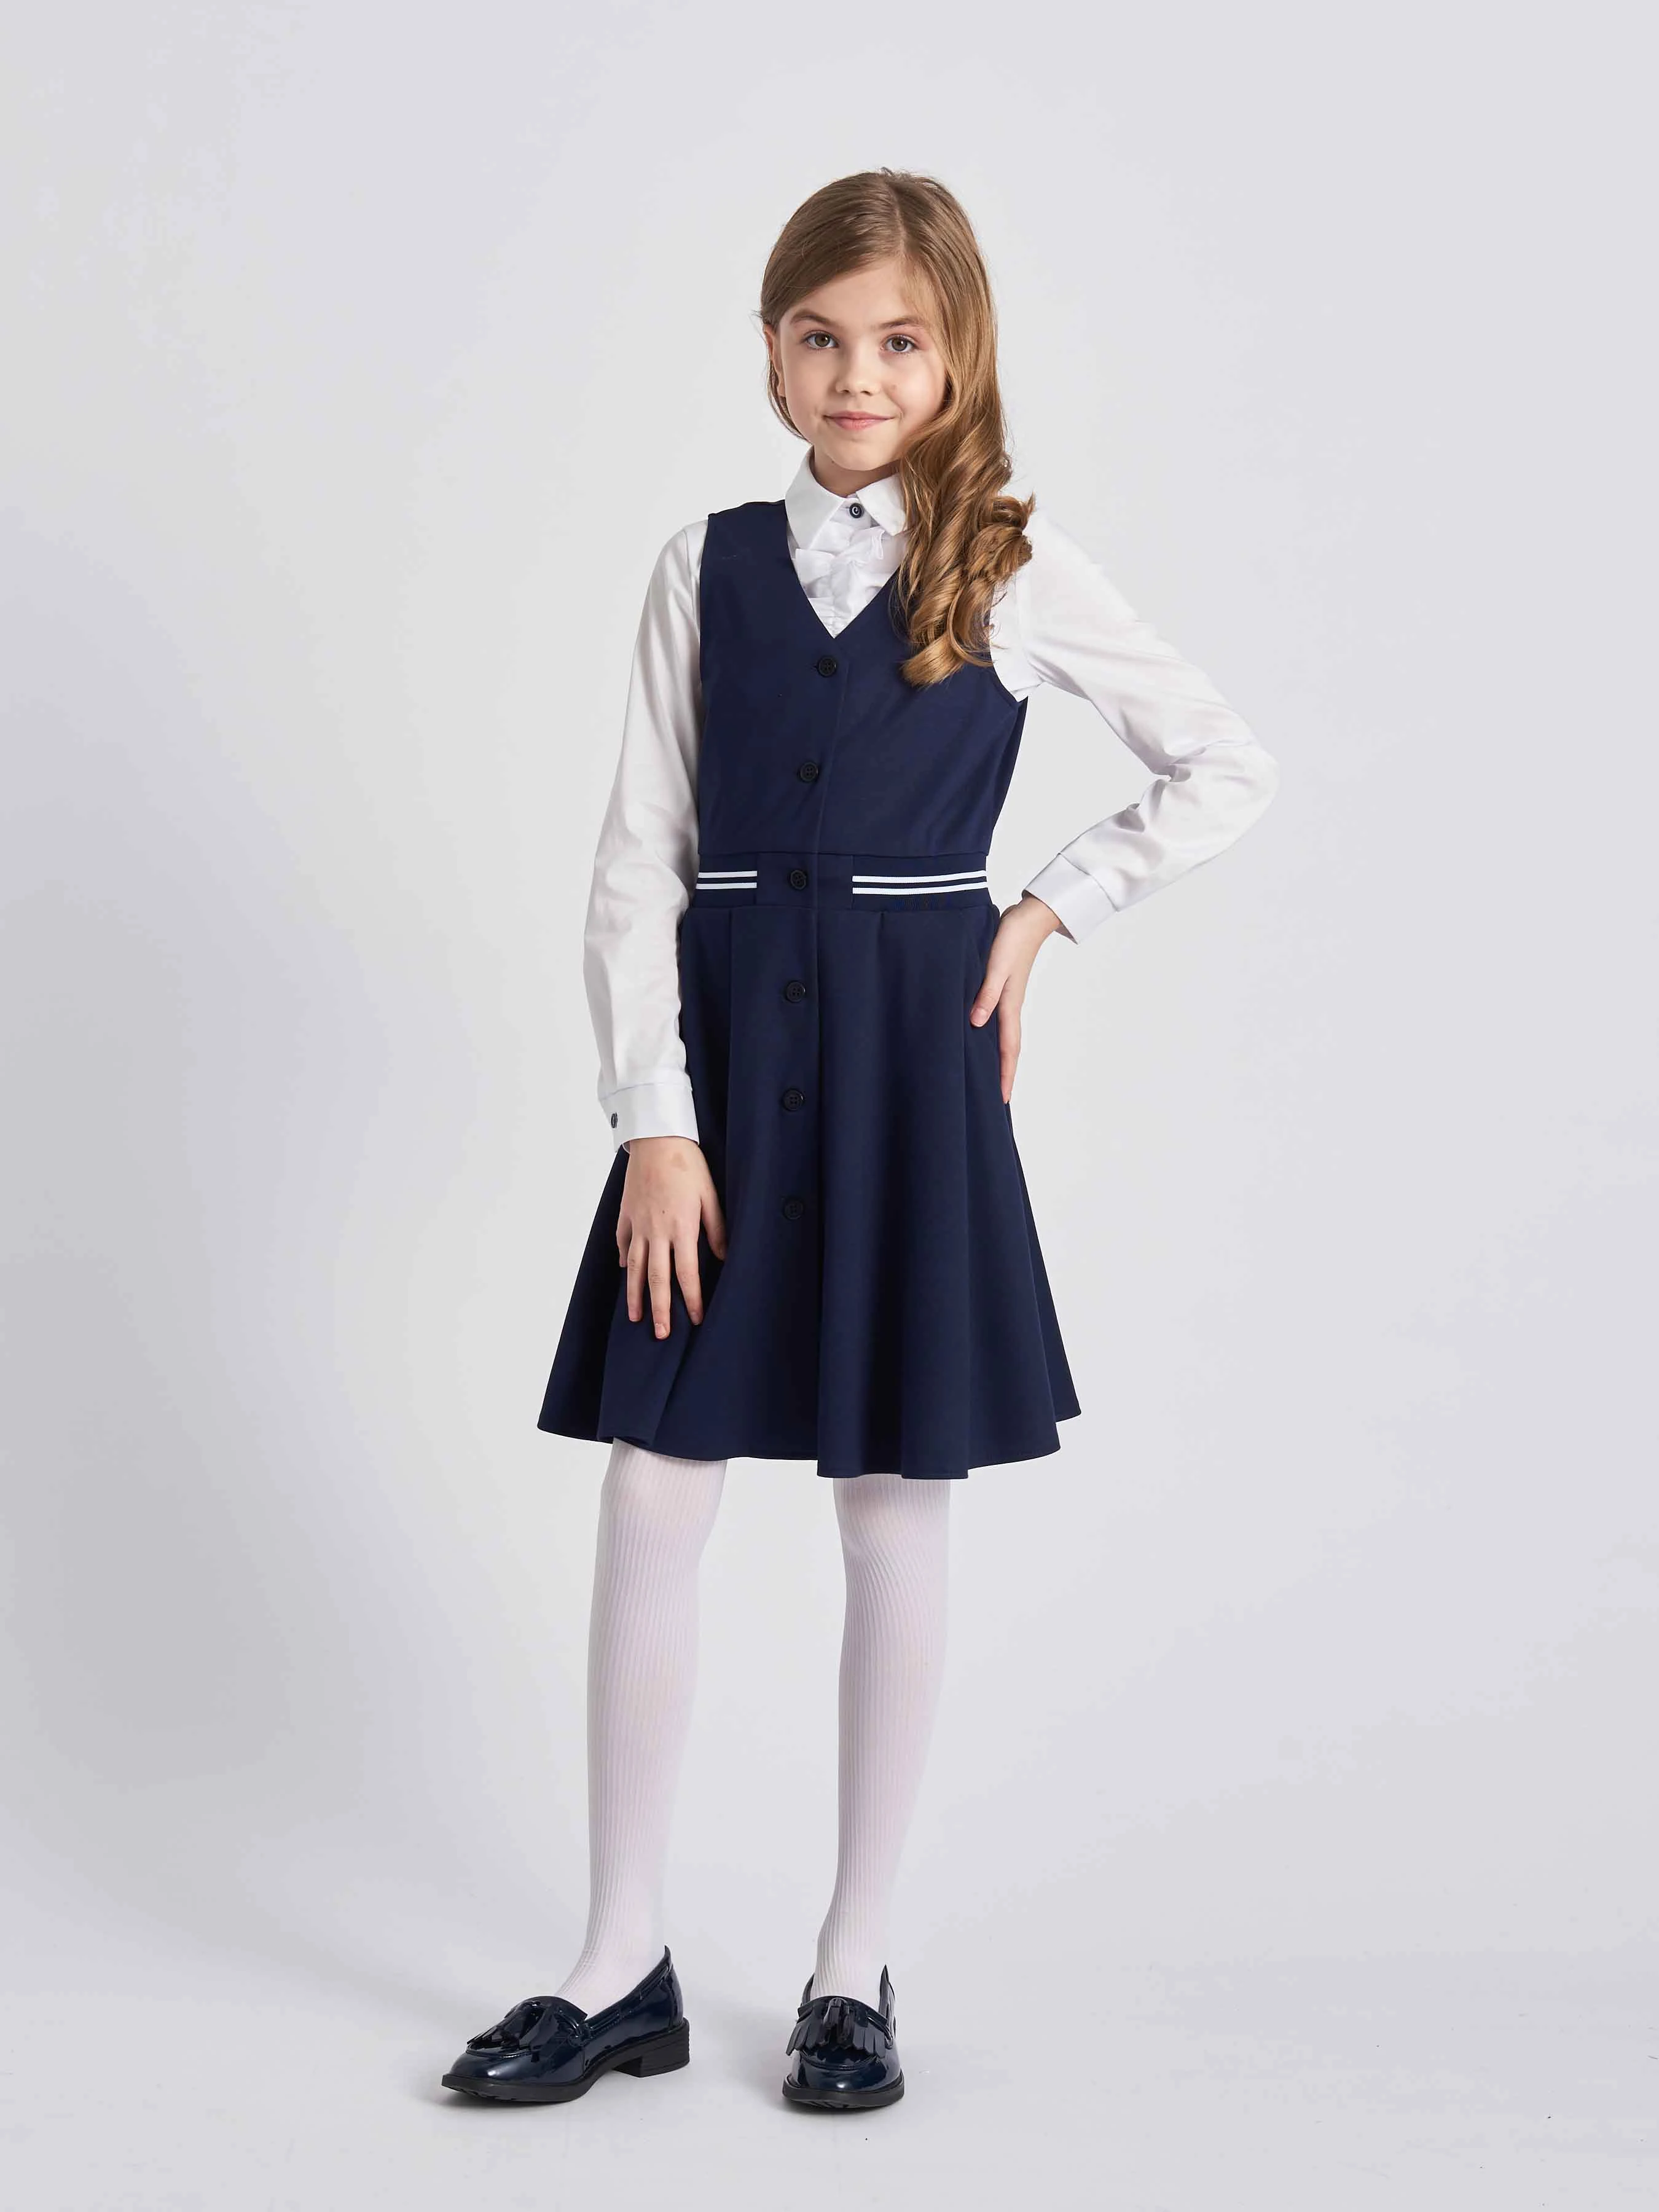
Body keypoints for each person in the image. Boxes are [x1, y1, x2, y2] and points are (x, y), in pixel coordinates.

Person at [441, 167, 1281, 2114]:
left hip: (910, 1066)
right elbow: (636, 862)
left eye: (898, 340)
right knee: (655, 1491)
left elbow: (1221, 760)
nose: (855, 374)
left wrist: (1049, 906)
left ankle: (850, 1961)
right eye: (820, 336)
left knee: (893, 1501)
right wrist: (655, 1123)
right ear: (769, 351)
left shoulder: (1012, 564)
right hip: (723, 1075)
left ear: (955, 354)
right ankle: (617, 1960)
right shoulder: (703, 566)